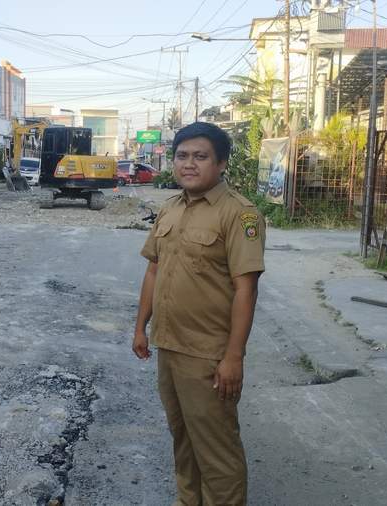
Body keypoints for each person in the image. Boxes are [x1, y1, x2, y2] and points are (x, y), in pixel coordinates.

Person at [133, 122, 265, 506]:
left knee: (217, 452)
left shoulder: (240, 215)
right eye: (182, 155)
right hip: (169, 346)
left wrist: (233, 357)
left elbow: (246, 288)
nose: (189, 164)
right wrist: (141, 327)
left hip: (208, 354)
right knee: (184, 440)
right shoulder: (170, 209)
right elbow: (153, 269)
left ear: (221, 163)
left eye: (200, 156)